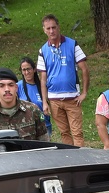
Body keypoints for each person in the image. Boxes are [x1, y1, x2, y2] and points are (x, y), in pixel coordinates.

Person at [37, 14, 89, 146]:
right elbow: (43, 79)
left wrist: (84, 93)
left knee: (77, 133)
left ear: (58, 27)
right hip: (54, 101)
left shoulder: (72, 44)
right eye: (48, 28)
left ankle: (82, 161)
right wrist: (44, 102)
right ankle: (71, 161)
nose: (51, 31)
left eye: (54, 27)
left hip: (72, 99)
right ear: (44, 30)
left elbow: (84, 69)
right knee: (64, 133)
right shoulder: (43, 50)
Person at [0, 67, 50, 141]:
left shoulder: (32, 110)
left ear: (16, 88)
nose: (7, 89)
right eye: (1, 85)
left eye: (10, 85)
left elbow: (45, 142)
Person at [18, 56, 52, 137]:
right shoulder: (18, 86)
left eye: (29, 69)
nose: (27, 72)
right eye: (24, 70)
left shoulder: (43, 86)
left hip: (44, 126)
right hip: (26, 128)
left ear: (34, 69)